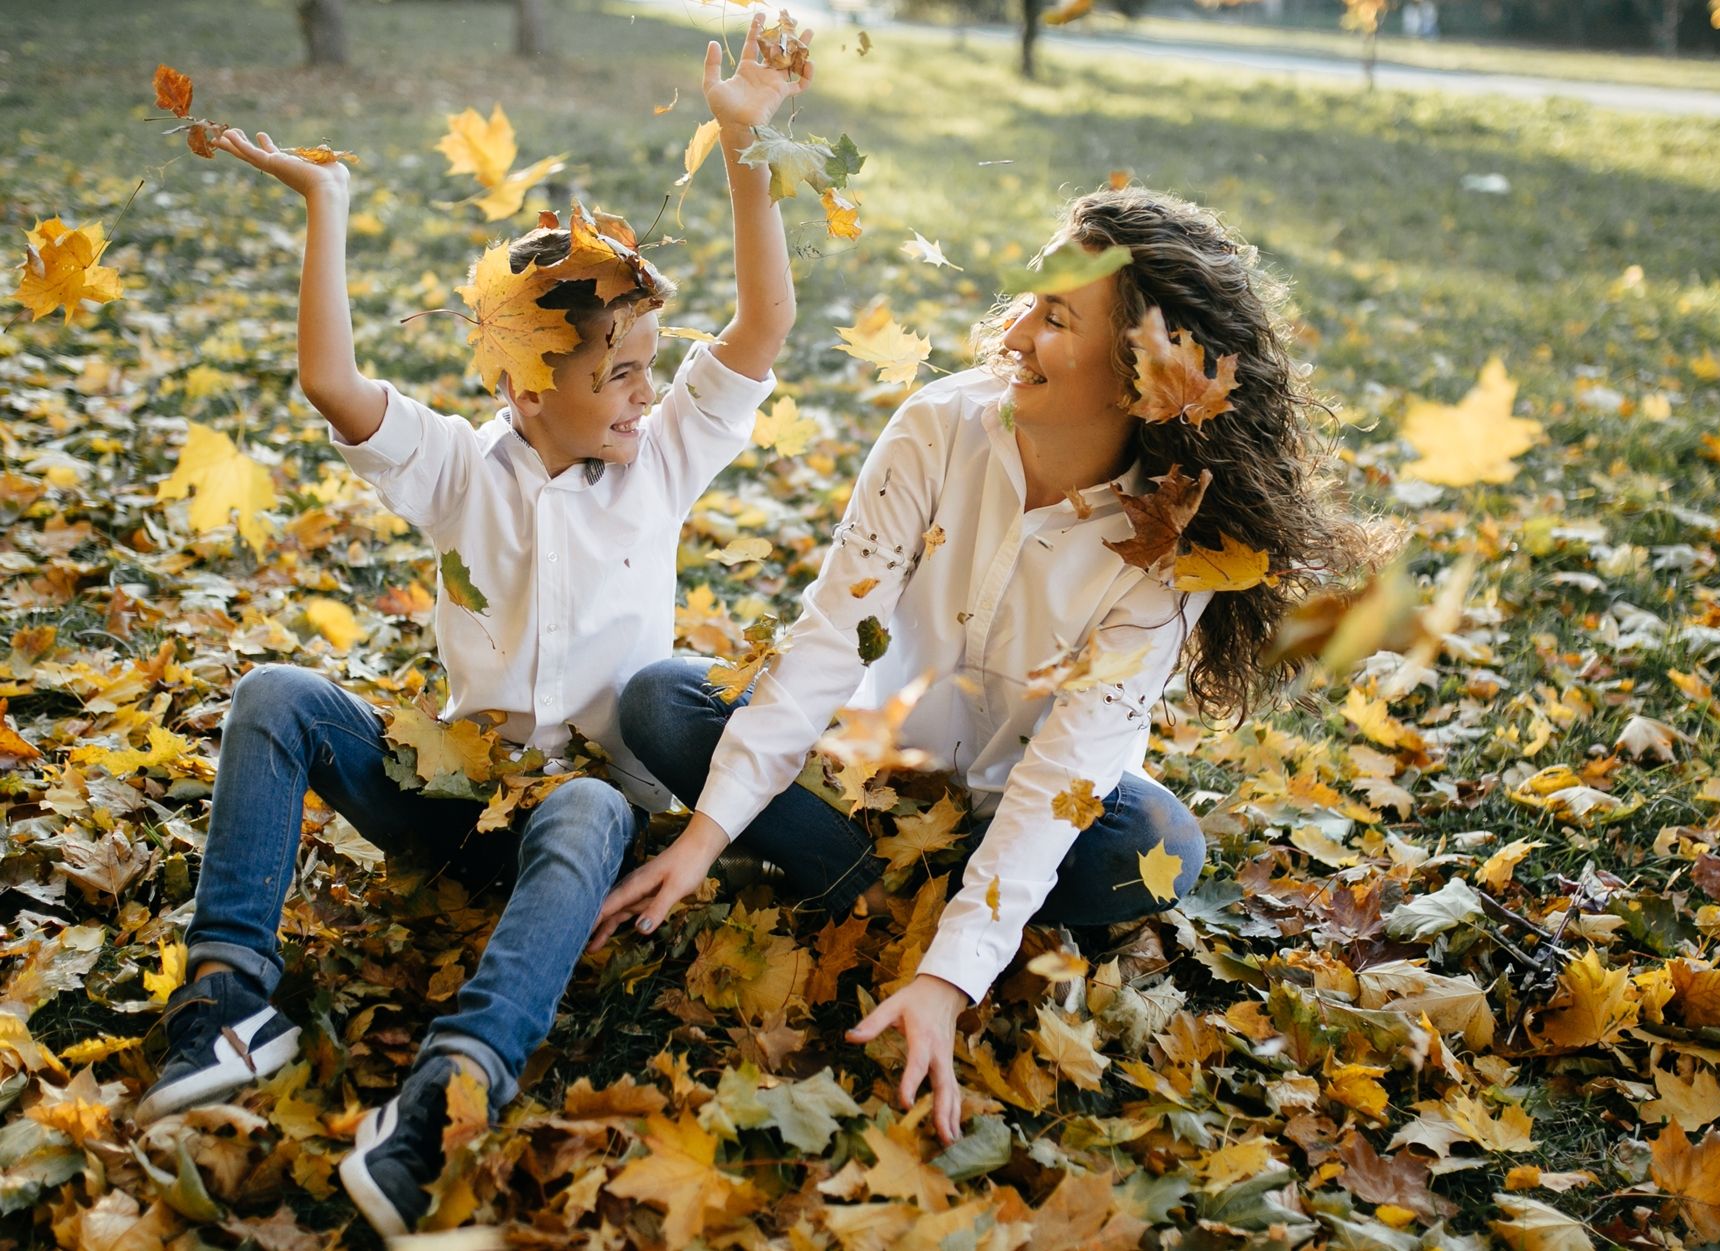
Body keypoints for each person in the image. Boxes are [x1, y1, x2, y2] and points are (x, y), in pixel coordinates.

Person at [134, 16, 813, 1237]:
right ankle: (233, 994)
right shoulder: (458, 468)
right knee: (276, 695)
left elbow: (761, 328)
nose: (643, 396)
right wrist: (326, 205)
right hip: (449, 807)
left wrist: (741, 145)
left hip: (578, 832)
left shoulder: (658, 462)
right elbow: (332, 386)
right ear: (520, 384)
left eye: (649, 368)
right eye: (617, 375)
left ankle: (455, 1080)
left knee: (597, 804)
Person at [595, 186, 1388, 1146]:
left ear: (1144, 378)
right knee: (664, 701)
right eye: (1030, 300)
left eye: (1055, 318)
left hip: (1027, 808)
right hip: (867, 775)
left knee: (1161, 847)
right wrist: (704, 837)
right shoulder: (938, 427)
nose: (1011, 331)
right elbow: (828, 640)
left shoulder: (1174, 543)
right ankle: (888, 884)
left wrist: (946, 978)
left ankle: (896, 899)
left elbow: (1065, 775)